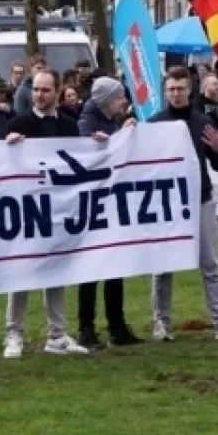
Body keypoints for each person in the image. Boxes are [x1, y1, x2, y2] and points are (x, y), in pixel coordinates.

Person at [149, 67, 218, 342]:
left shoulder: (201, 121)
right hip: (167, 203)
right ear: (165, 91)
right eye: (171, 89)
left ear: (190, 90)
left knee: (210, 264)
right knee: (162, 266)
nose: (176, 94)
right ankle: (161, 323)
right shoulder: (155, 123)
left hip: (201, 198)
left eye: (180, 88)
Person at [2, 69, 89, 358]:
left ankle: (58, 334)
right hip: (28, 210)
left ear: (57, 91)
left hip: (59, 209)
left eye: (45, 90)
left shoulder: (69, 125)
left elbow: (81, 162)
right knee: (22, 269)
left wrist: (101, 144)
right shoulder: (18, 123)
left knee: (57, 270)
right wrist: (8, 146)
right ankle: (14, 333)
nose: (39, 96)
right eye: (36, 90)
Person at [75, 77, 143, 350]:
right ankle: (86, 328)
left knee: (116, 266)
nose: (123, 102)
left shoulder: (112, 121)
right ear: (106, 101)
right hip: (94, 206)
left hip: (111, 203)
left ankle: (117, 325)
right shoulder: (87, 124)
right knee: (90, 270)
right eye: (118, 98)